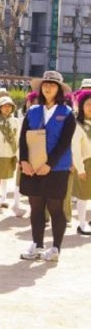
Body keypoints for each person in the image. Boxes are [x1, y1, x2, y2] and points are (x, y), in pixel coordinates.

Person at [19, 71, 75, 262]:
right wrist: (23, 161)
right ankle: (37, 244)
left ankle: (55, 248)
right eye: (45, 84)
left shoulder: (67, 114)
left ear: (59, 89)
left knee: (55, 207)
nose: (48, 88)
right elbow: (23, 138)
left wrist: (50, 164)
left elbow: (64, 143)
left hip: (57, 169)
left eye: (52, 85)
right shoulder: (33, 111)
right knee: (36, 207)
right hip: (33, 167)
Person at [0, 96, 20, 208]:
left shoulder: (15, 121)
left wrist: (17, 154)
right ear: (0, 108)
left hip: (10, 153)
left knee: (5, 177)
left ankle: (3, 198)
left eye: (9, 106)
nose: (7, 108)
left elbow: (17, 138)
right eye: (4, 106)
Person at [72, 90, 91, 235]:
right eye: (88, 104)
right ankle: (82, 224)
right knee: (83, 195)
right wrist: (80, 168)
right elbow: (75, 150)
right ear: (81, 106)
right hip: (86, 163)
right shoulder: (77, 125)